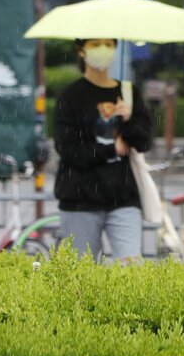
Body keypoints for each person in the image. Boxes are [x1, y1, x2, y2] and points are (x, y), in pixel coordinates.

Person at [54, 38, 153, 261]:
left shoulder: (128, 92)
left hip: (123, 196)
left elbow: (143, 141)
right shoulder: (70, 97)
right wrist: (110, 151)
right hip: (80, 198)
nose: (103, 50)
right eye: (95, 44)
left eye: (109, 45)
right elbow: (68, 148)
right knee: (81, 273)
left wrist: (129, 118)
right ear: (81, 50)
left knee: (130, 270)